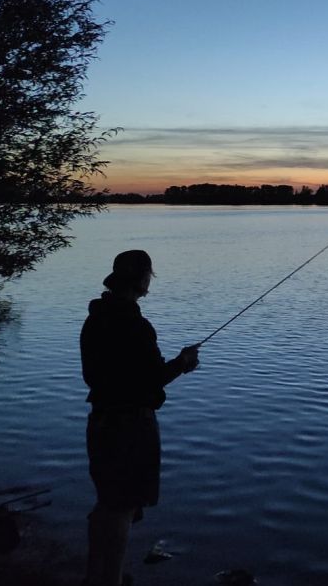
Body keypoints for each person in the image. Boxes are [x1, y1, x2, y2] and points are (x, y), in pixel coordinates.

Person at [80, 249, 200, 586]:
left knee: (107, 502)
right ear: (143, 280)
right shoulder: (135, 325)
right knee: (123, 506)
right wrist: (182, 363)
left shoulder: (95, 319)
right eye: (149, 274)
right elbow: (150, 379)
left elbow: (98, 376)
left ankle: (94, 577)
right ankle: (112, 580)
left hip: (100, 420)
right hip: (129, 425)